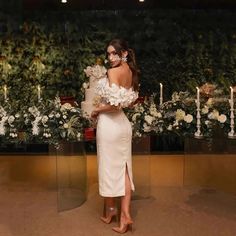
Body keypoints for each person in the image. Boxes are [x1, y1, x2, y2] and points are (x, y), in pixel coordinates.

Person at [91, 38, 139, 234]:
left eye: (114, 53)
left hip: (110, 126)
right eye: (108, 54)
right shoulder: (131, 72)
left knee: (110, 169)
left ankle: (119, 212)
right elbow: (127, 103)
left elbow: (113, 105)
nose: (110, 57)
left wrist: (95, 111)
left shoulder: (112, 72)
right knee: (124, 169)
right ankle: (120, 213)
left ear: (124, 53)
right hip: (123, 125)